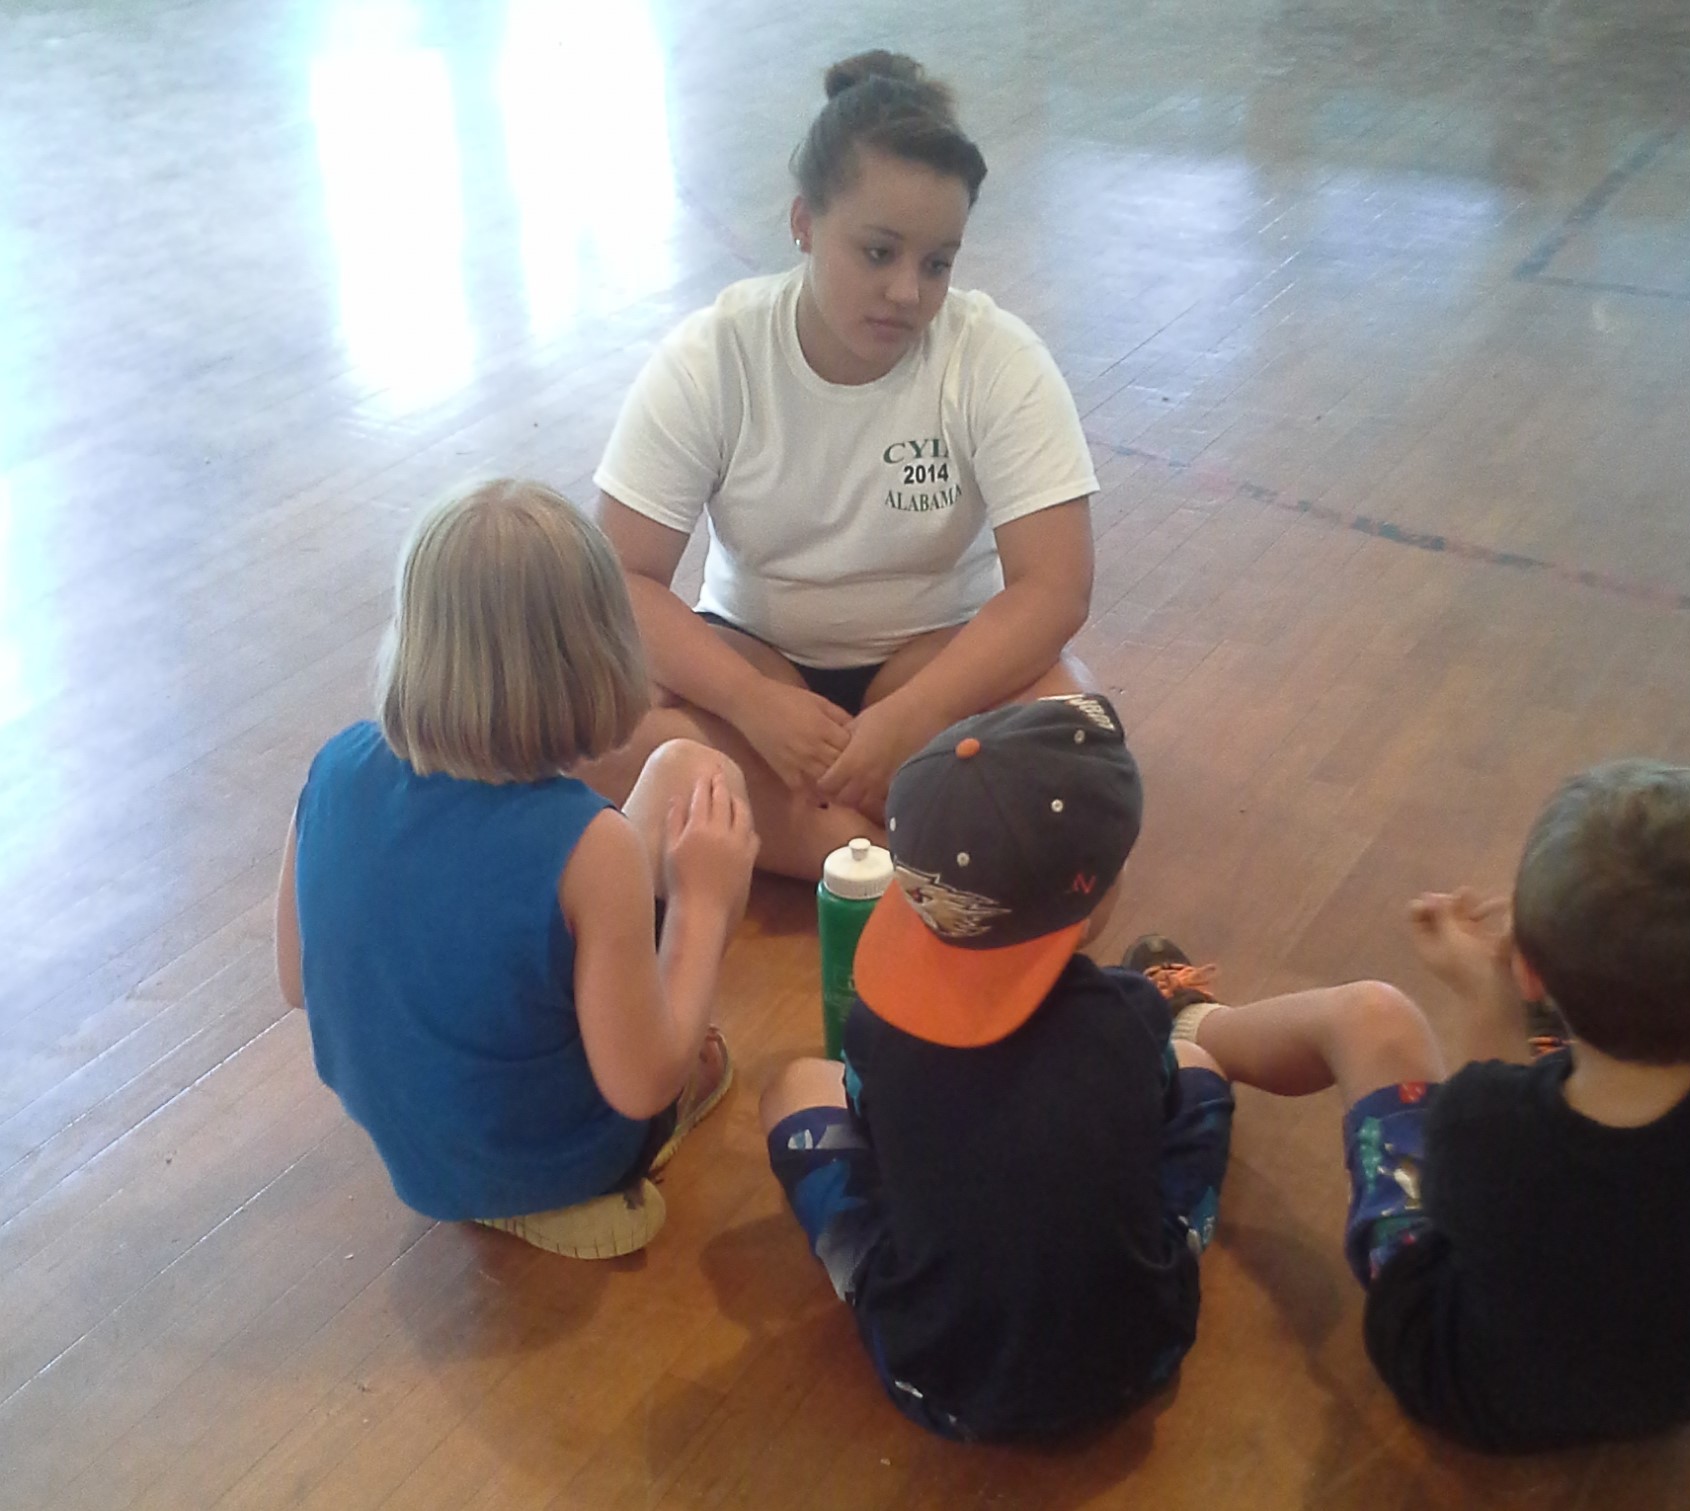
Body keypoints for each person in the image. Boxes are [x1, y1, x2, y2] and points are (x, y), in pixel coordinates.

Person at [1128, 759, 1690, 1451]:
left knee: (1371, 1016)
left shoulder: (1488, 1125)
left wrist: (1487, 992)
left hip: (1471, 1389)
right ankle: (1601, 1031)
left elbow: (1471, 1162)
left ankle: (1191, 1027)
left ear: (1530, 970)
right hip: (1689, 1382)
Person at [587, 51, 1100, 877]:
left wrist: (911, 718)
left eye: (937, 263)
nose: (907, 290)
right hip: (756, 662)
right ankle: (916, 862)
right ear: (803, 223)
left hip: (937, 667)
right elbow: (617, 579)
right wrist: (753, 704)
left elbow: (1056, 585)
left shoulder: (996, 358)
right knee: (597, 727)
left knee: (1074, 721)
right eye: (877, 252)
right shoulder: (712, 357)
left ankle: (815, 840)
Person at [273, 480, 759, 1258]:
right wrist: (701, 906)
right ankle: (575, 1193)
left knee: (685, 770)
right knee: (705, 838)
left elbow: (297, 982)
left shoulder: (333, 765)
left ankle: (508, 1170)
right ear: (596, 655)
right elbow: (640, 1084)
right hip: (557, 1153)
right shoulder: (588, 845)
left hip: (410, 1147)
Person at [759, 695, 1236, 1441]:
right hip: (1141, 1357)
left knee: (793, 1086)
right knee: (1199, 1061)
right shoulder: (1132, 1015)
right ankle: (1177, 1220)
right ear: (1103, 888)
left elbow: (867, 1125)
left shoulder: (877, 1032)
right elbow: (1154, 1113)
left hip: (929, 1374)